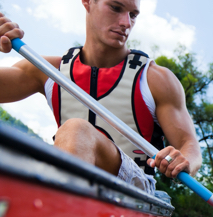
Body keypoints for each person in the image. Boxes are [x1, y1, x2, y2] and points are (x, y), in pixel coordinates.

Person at [0, 0, 202, 194]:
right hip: (66, 173)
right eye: (115, 7)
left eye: (133, 15)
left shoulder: (157, 79)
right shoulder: (47, 70)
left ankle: (58, 213)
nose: (126, 23)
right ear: (87, 2)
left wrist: (183, 160)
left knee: (75, 129)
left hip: (135, 188)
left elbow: (190, 146)